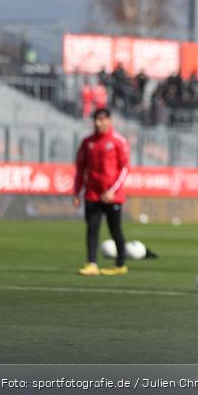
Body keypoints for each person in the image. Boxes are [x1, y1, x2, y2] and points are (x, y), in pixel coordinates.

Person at [72, 108, 130, 276]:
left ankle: (120, 265)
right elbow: (80, 169)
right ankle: (91, 263)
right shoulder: (87, 142)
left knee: (115, 230)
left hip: (113, 196)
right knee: (92, 228)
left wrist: (112, 191)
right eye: (96, 120)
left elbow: (125, 168)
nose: (98, 123)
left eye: (101, 119)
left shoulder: (118, 141)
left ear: (109, 120)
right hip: (92, 193)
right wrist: (77, 192)